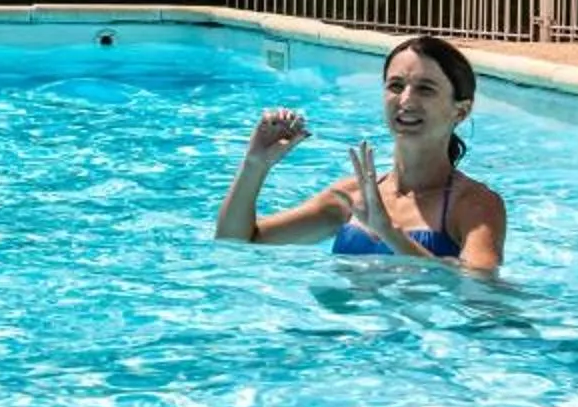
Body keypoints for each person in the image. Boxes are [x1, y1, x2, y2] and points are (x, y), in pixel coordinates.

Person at [214, 33, 508, 273]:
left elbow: (482, 290)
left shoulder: (473, 206)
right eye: (396, 86)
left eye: (426, 89)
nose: (406, 100)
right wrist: (255, 165)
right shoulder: (352, 197)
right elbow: (237, 242)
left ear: (461, 110)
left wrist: (389, 232)